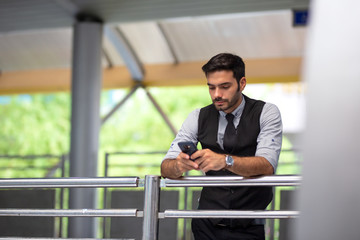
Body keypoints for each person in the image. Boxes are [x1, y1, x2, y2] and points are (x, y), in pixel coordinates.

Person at [161, 53, 282, 240]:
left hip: (249, 225)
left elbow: (267, 165)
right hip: (206, 224)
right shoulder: (197, 117)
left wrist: (226, 161)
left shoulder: (266, 112)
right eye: (211, 88)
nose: (217, 94)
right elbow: (165, 167)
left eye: (225, 87)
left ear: (242, 83)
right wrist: (178, 166)